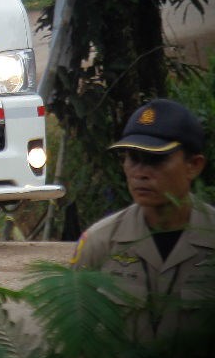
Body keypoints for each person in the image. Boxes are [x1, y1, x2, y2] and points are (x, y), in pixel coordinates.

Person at [69, 97, 214, 340]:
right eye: (133, 159)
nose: (140, 173)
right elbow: (72, 337)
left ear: (193, 166)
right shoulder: (101, 242)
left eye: (156, 160)